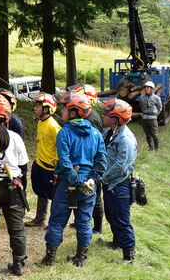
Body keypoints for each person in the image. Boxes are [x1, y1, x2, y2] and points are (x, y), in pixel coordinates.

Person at [41, 92, 106, 267]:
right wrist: (91, 179)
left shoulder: (65, 133)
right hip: (88, 186)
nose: (62, 111)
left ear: (74, 112)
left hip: (67, 184)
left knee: (57, 220)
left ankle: (50, 259)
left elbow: (65, 161)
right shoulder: (96, 134)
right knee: (84, 220)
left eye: (65, 108)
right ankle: (80, 259)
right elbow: (101, 162)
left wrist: (76, 180)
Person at [0, 94, 29, 276]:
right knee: (17, 228)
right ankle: (19, 263)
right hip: (13, 186)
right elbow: (24, 166)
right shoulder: (15, 137)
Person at [98, 98, 137, 263]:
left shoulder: (125, 139)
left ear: (115, 119)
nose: (102, 115)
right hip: (110, 184)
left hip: (119, 185)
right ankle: (117, 242)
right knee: (111, 215)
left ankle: (128, 255)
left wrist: (102, 177)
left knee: (121, 220)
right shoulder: (110, 133)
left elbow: (120, 166)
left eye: (106, 113)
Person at [69, 84, 104, 234]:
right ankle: (82, 223)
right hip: (89, 163)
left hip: (91, 165)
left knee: (94, 197)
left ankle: (96, 228)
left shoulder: (91, 118)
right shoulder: (89, 115)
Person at [25, 92, 60, 228]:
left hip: (50, 168)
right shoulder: (40, 122)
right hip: (39, 163)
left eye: (38, 106)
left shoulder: (54, 126)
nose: (35, 108)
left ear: (47, 109)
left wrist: (57, 166)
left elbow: (61, 147)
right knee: (40, 191)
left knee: (54, 196)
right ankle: (40, 218)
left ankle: (53, 222)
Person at [140, 81, 162, 151]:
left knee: (154, 134)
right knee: (147, 134)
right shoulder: (142, 97)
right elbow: (141, 106)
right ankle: (151, 147)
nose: (146, 89)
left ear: (152, 89)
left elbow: (160, 107)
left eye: (148, 88)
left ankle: (157, 148)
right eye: (145, 88)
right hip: (144, 118)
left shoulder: (156, 98)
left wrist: (155, 114)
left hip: (153, 119)